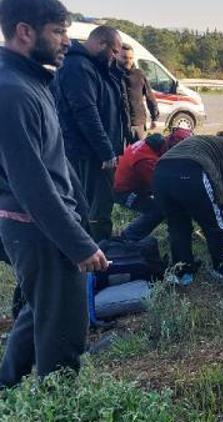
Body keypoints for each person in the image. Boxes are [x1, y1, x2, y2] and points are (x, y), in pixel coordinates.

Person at [0, 0, 109, 387]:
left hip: (48, 226)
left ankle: (7, 384)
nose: (66, 42)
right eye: (58, 32)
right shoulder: (12, 92)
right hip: (37, 228)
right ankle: (59, 403)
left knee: (40, 310)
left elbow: (56, 163)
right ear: (25, 32)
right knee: (63, 328)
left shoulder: (33, 81)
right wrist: (77, 245)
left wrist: (83, 219)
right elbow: (32, 184)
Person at [54, 25, 125, 242]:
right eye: (114, 51)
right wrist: (105, 152)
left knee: (101, 202)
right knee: (95, 204)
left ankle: (100, 243)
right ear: (101, 43)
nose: (115, 57)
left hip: (97, 151)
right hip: (88, 153)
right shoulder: (78, 66)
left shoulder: (94, 66)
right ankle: (97, 249)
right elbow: (86, 113)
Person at [154, 134, 223, 285]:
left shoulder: (206, 142)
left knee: (177, 225)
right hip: (190, 170)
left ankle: (183, 271)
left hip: (160, 173)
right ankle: (222, 268)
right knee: (213, 225)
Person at [113, 128, 192, 240]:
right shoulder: (146, 161)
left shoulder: (154, 145)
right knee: (157, 210)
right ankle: (127, 237)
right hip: (124, 191)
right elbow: (162, 188)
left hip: (135, 183)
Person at [117, 43, 159, 143]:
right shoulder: (111, 74)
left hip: (137, 123)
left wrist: (154, 117)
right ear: (117, 56)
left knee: (138, 155)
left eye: (131, 58)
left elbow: (150, 96)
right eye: (125, 57)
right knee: (121, 157)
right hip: (118, 125)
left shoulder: (139, 74)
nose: (128, 61)